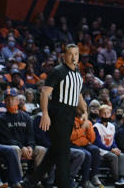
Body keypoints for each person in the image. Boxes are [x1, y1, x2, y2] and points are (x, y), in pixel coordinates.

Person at [26, 44, 85, 188]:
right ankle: (63, 184)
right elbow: (45, 93)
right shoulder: (58, 71)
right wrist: (45, 114)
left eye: (76, 54)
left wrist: (85, 111)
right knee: (64, 151)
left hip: (70, 114)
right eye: (70, 54)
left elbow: (78, 94)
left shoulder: (78, 73)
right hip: (57, 112)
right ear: (64, 56)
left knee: (55, 150)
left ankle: (30, 182)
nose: (73, 57)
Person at [0, 91, 45, 188]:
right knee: (15, 149)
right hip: (14, 148)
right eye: (7, 100)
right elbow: (7, 139)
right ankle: (18, 181)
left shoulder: (26, 117)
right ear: (4, 102)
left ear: (18, 101)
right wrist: (22, 147)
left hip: (26, 148)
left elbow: (31, 136)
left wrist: (30, 146)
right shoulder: (1, 119)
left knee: (41, 150)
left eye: (12, 99)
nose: (10, 101)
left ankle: (37, 180)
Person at [92, 104, 124, 187]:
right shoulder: (96, 126)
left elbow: (112, 140)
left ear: (111, 114)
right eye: (104, 113)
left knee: (121, 155)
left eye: (108, 113)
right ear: (100, 114)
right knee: (113, 157)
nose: (106, 115)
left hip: (110, 149)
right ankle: (116, 179)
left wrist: (116, 148)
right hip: (101, 150)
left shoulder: (112, 126)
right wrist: (111, 149)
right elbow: (98, 143)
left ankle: (121, 178)